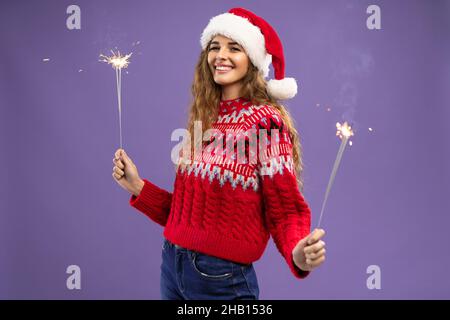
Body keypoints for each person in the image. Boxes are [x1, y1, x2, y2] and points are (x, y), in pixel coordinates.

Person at [112, 7, 326, 300]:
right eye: (214, 47)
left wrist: (297, 253)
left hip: (219, 277)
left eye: (234, 48)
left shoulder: (264, 121)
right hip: (172, 267)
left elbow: (285, 208)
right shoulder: (206, 118)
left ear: (252, 60)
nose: (220, 55)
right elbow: (191, 216)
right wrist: (138, 187)